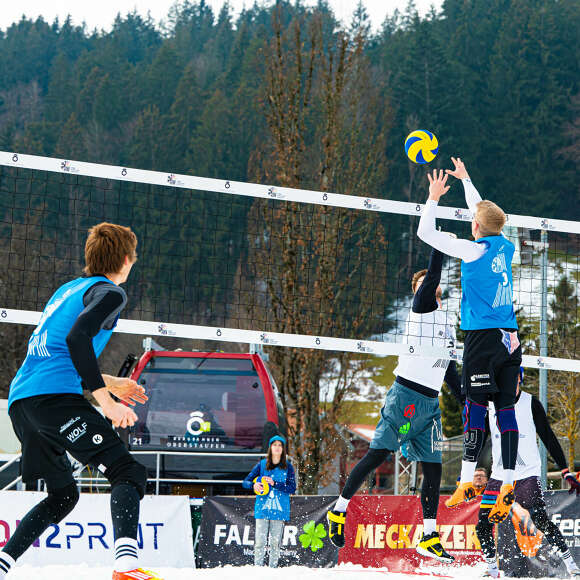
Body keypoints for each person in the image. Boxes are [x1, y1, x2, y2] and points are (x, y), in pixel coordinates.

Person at [0, 223, 160, 580]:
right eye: (133, 257)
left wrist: (109, 382)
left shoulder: (68, 289)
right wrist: (107, 402)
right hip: (53, 401)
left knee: (62, 496)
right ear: (124, 259)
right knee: (127, 472)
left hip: (23, 403)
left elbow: (54, 356)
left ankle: (2, 563)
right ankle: (126, 567)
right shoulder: (110, 293)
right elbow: (77, 339)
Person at [326, 248, 461, 563]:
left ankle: (429, 536)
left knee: (434, 466)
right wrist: (438, 242)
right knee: (378, 454)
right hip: (406, 399)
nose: (431, 286)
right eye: (425, 284)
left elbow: (450, 370)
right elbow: (432, 278)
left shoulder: (447, 321)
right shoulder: (421, 309)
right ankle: (339, 510)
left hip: (430, 404)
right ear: (419, 291)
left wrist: (468, 402)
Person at [417, 158, 522, 523]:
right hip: (511, 340)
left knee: (476, 409)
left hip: (483, 340)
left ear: (475, 226)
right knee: (505, 412)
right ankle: (507, 482)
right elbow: (483, 214)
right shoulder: (504, 246)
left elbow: (426, 235)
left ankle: (465, 480)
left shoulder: (474, 250)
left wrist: (432, 199)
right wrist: (466, 181)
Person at [476, 368, 580, 578]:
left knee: (540, 520)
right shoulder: (490, 405)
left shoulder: (530, 403)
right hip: (499, 475)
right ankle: (493, 569)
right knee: (483, 524)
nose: (512, 382)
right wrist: (475, 470)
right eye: (507, 378)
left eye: (515, 378)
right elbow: (482, 440)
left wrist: (565, 470)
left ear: (520, 379)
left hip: (526, 475)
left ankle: (571, 564)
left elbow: (548, 437)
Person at [242, 435, 296, 568]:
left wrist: (275, 483)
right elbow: (245, 482)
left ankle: (273, 570)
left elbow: (292, 488)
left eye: (280, 445)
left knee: (275, 543)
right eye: (274, 445)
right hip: (262, 509)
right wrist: (253, 486)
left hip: (280, 509)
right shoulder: (261, 465)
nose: (277, 447)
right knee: (260, 542)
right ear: (270, 447)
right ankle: (258, 569)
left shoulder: (288, 467)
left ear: (283, 449)